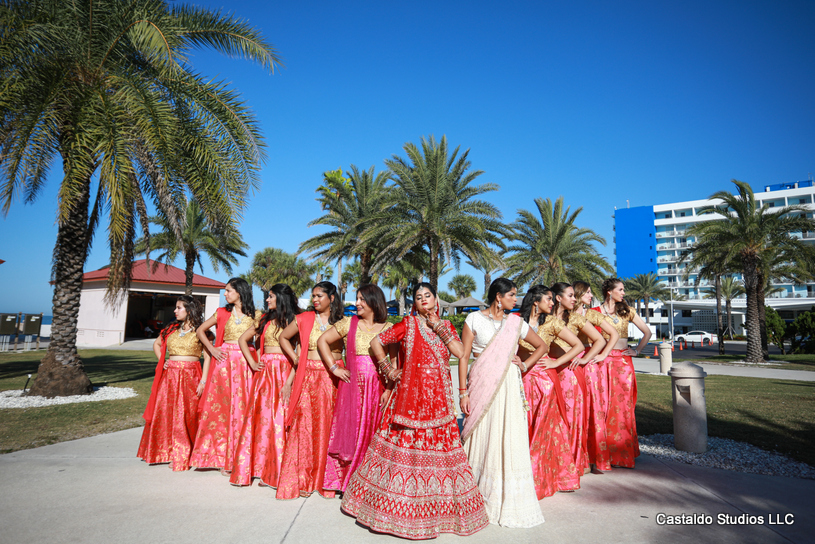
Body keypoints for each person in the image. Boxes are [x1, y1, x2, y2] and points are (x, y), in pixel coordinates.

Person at [341, 283, 489, 540]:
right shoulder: (407, 325)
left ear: (436, 299)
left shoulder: (447, 327)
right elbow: (376, 343)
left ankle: (439, 512)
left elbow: (460, 351)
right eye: (419, 297)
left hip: (439, 401)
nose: (423, 300)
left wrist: (438, 327)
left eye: (427, 296)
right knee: (405, 452)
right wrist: (388, 370)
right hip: (410, 396)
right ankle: (398, 512)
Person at [459, 278, 547, 527]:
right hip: (481, 382)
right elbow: (464, 356)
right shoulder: (473, 320)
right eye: (511, 295)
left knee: (506, 433)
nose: (515, 300)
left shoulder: (515, 322)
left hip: (508, 384)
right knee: (482, 431)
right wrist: (462, 392)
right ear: (498, 296)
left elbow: (541, 346)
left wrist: (525, 364)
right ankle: (474, 492)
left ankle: (502, 495)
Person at [317, 284, 397, 493]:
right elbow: (322, 341)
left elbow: (395, 364)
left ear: (373, 301)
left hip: (377, 388)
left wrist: (388, 390)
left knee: (373, 431)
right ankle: (345, 482)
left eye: (362, 299)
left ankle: (369, 483)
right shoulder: (349, 323)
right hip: (352, 389)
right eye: (357, 298)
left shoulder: (388, 327)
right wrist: (334, 368)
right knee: (349, 432)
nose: (357, 303)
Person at [276, 281, 349, 499]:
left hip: (334, 378)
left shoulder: (343, 322)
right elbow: (283, 337)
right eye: (313, 296)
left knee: (329, 426)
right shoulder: (304, 319)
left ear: (332, 298)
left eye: (319, 296)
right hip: (308, 377)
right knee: (305, 426)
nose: (315, 300)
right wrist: (297, 358)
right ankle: (304, 479)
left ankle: (327, 480)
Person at [230, 284, 302, 487]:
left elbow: (300, 355)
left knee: (279, 420)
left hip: (284, 372)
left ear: (280, 298)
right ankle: (260, 468)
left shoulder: (296, 320)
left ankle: (276, 471)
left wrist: (289, 382)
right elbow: (242, 340)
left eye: (270, 297)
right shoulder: (264, 319)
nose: (267, 300)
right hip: (264, 374)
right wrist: (253, 363)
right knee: (261, 419)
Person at [518, 285, 583, 497]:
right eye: (548, 299)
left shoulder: (553, 322)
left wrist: (556, 364)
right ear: (535, 301)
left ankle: (539, 480)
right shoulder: (517, 321)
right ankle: (522, 476)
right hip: (520, 379)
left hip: (545, 382)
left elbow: (578, 346)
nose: (552, 302)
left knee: (544, 429)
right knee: (524, 426)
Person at [190, 277, 261, 471]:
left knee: (242, 409)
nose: (225, 294)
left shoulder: (256, 314)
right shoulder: (222, 312)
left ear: (240, 291)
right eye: (225, 290)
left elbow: (259, 341)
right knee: (221, 409)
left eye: (228, 290)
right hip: (224, 365)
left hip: (246, 365)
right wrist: (212, 350)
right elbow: (200, 330)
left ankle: (239, 457)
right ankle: (219, 457)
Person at [138, 295, 210, 471]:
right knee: (167, 413)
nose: (175, 311)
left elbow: (207, 356)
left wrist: (203, 380)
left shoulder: (201, 331)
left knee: (186, 415)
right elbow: (156, 345)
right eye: (176, 308)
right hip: (169, 377)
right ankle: (166, 451)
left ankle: (183, 453)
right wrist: (163, 362)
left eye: (179, 308)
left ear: (190, 310)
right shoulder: (170, 329)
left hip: (191, 377)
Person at [548, 282, 608, 475]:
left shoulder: (574, 318)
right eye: (571, 295)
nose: (574, 299)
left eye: (575, 295)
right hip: (546, 371)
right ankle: (552, 462)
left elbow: (600, 340)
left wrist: (584, 360)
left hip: (570, 373)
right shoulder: (545, 318)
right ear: (558, 298)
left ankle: (572, 463)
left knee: (571, 418)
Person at [592, 278, 652, 468]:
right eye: (621, 289)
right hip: (602, 362)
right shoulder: (595, 312)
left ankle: (622, 455)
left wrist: (638, 351)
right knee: (603, 406)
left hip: (623, 363)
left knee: (623, 407)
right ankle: (603, 454)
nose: (624, 293)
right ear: (609, 291)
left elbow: (647, 332)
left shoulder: (627, 311)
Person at [572, 280, 619, 473]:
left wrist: (601, 355)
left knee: (592, 410)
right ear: (578, 294)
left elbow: (613, 334)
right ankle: (576, 458)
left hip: (588, 365)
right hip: (569, 363)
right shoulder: (565, 315)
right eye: (587, 293)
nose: (591, 296)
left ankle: (593, 459)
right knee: (575, 411)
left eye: (591, 293)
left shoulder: (591, 314)